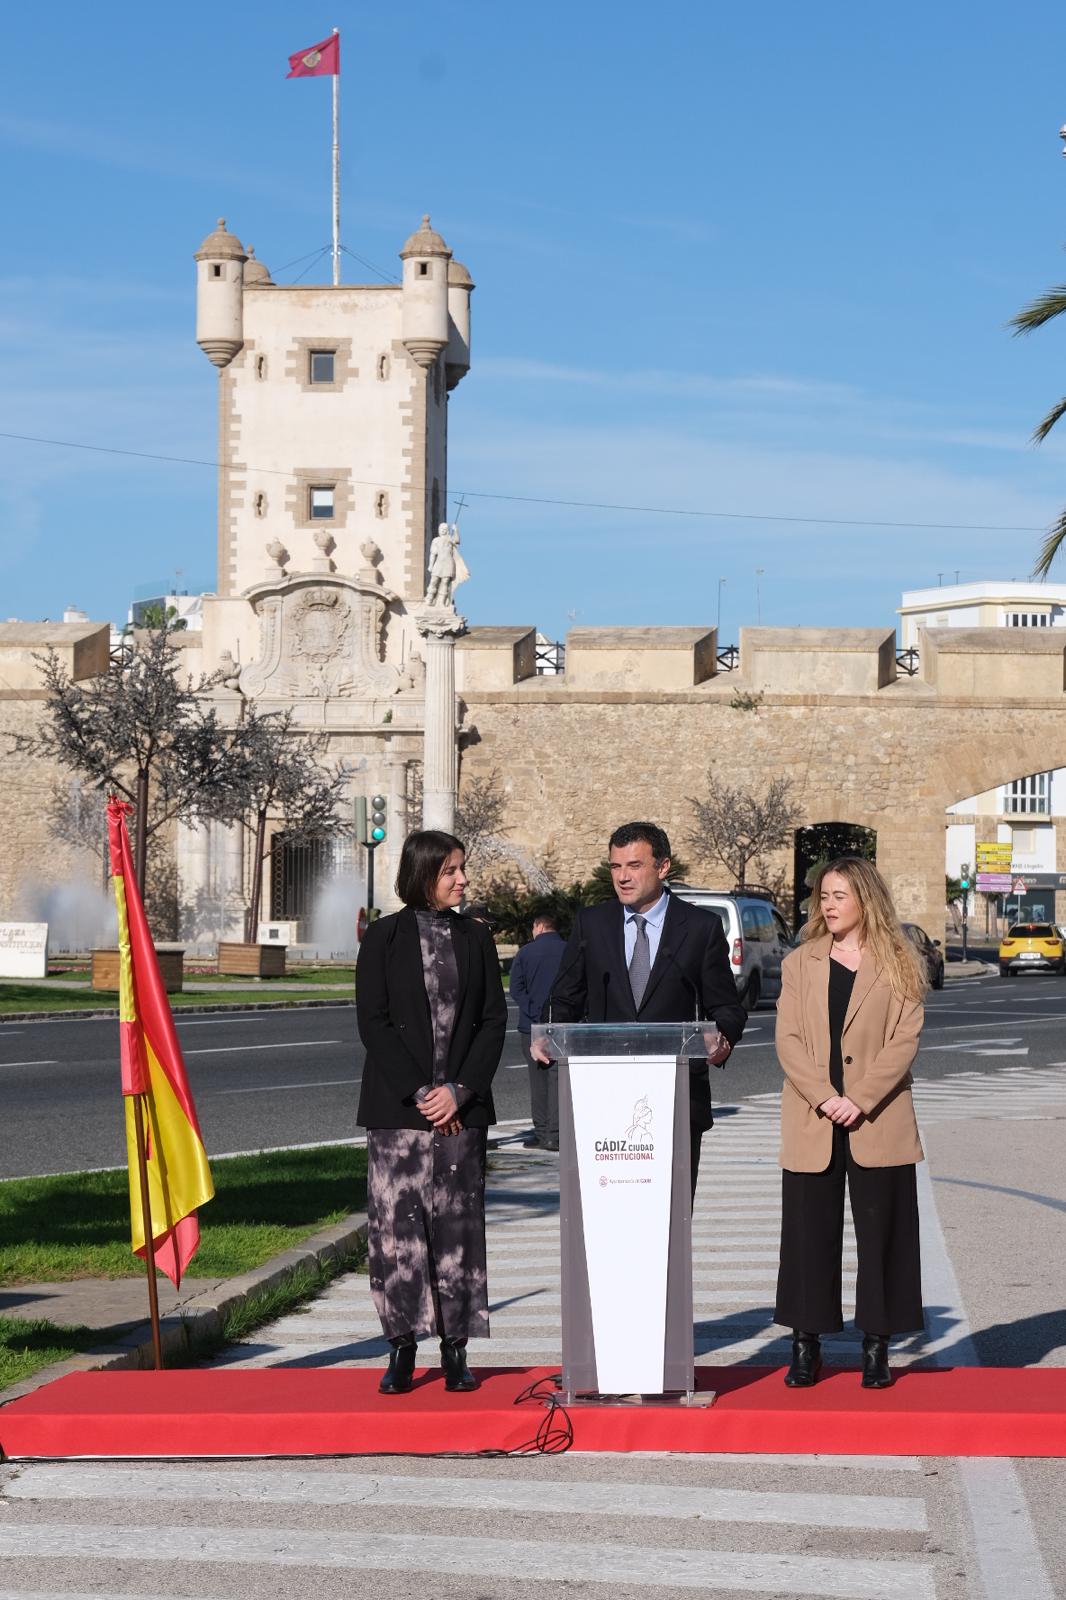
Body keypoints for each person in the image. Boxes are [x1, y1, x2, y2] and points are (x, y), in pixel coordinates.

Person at [355, 829, 507, 1396]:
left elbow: (494, 1019)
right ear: (423, 876)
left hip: (461, 1116)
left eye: (462, 869)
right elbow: (373, 1022)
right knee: (398, 1231)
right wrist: (424, 1091)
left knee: (458, 1230)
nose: (462, 880)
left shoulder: (476, 938)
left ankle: (455, 1349)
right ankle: (400, 1347)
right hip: (400, 1113)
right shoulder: (384, 938)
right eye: (451, 872)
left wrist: (460, 1090)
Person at [774, 855, 927, 1391]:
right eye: (824, 896)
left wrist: (858, 1099)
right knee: (807, 1237)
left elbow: (903, 1041)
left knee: (883, 1237)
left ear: (866, 899)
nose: (829, 905)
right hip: (813, 1117)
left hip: (877, 1118)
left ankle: (876, 1346)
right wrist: (824, 1097)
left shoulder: (900, 961)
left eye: (840, 895)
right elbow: (787, 1041)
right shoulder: (800, 963)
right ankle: (805, 1344)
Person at [536, 822, 746, 1189]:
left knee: (670, 1226)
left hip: (677, 1101)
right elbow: (564, 996)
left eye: (634, 866)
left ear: (662, 868)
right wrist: (547, 1031)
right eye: (616, 867)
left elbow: (727, 1006)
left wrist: (720, 1039)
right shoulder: (592, 924)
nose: (623, 877)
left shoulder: (700, 928)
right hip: (605, 1099)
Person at [509, 913, 566, 1150]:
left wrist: (535, 1012)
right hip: (562, 1024)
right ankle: (555, 1134)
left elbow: (516, 988)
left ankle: (541, 1132)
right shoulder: (569, 950)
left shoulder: (525, 952)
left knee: (537, 1080)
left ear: (539, 926)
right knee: (557, 1079)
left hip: (530, 1025)